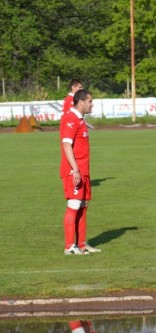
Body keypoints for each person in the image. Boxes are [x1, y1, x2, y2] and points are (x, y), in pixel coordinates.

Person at [59, 89, 101, 255]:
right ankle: (69, 247)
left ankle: (81, 244)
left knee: (83, 205)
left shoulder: (80, 120)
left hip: (83, 171)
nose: (92, 104)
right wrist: (75, 170)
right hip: (73, 171)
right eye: (90, 101)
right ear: (81, 102)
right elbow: (66, 145)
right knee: (74, 205)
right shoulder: (70, 119)